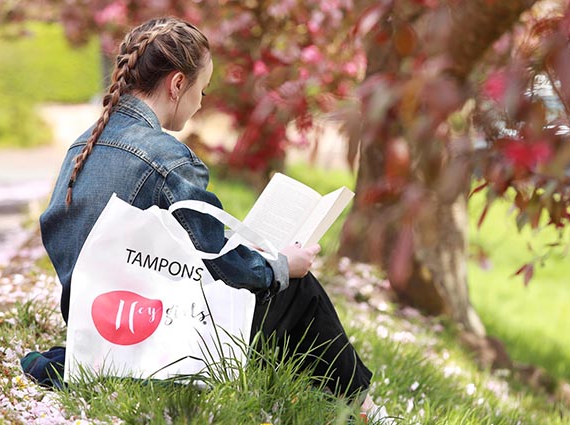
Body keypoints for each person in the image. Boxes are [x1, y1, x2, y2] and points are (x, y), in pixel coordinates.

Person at [30, 16, 390, 421]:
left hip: (95, 325)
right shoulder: (166, 156)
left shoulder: (84, 143)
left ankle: (328, 402)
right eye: (202, 88)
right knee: (296, 286)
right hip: (150, 333)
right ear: (178, 84)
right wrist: (280, 266)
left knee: (275, 274)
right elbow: (219, 265)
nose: (202, 102)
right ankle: (364, 409)